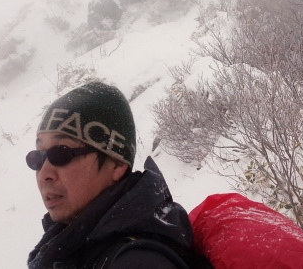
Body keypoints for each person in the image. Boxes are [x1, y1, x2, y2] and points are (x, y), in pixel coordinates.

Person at [26, 81, 197, 269]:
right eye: (36, 157)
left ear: (117, 163)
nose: (44, 174)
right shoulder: (78, 248)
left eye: (61, 154)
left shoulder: (137, 262)